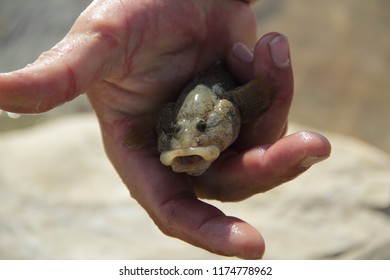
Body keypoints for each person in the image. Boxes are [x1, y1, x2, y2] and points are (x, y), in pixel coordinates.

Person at [0, 0, 331, 259]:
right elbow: (145, 133)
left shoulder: (228, 107)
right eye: (173, 133)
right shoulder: (169, 122)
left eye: (202, 128)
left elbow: (264, 91)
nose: (188, 144)